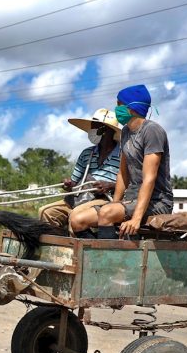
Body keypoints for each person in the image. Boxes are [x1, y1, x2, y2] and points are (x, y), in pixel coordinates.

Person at [69, 84, 172, 239]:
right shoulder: (125, 132)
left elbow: (149, 179)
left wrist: (137, 218)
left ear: (131, 107)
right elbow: (123, 174)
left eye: (119, 105)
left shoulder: (151, 131)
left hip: (156, 201)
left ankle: (106, 259)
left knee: (106, 213)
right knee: (77, 221)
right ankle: (100, 254)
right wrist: (115, 203)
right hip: (130, 199)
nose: (116, 109)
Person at [38, 108, 121, 234]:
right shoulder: (87, 153)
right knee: (45, 211)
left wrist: (110, 185)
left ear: (106, 130)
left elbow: (131, 183)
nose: (91, 130)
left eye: (95, 127)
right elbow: (74, 183)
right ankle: (57, 244)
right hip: (81, 196)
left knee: (76, 215)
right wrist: (68, 184)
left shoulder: (123, 154)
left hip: (105, 199)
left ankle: (76, 250)